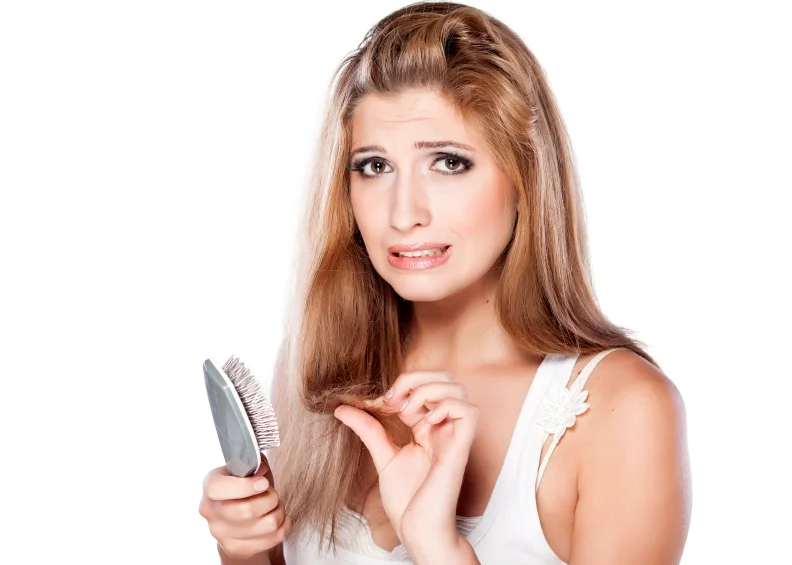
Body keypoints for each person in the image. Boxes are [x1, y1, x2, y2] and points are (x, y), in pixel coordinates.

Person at [199, 2, 692, 564]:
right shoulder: (315, 368)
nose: (403, 214)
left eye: (449, 163)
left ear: (526, 176)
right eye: (374, 166)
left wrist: (438, 546)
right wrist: (243, 546)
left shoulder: (622, 410)